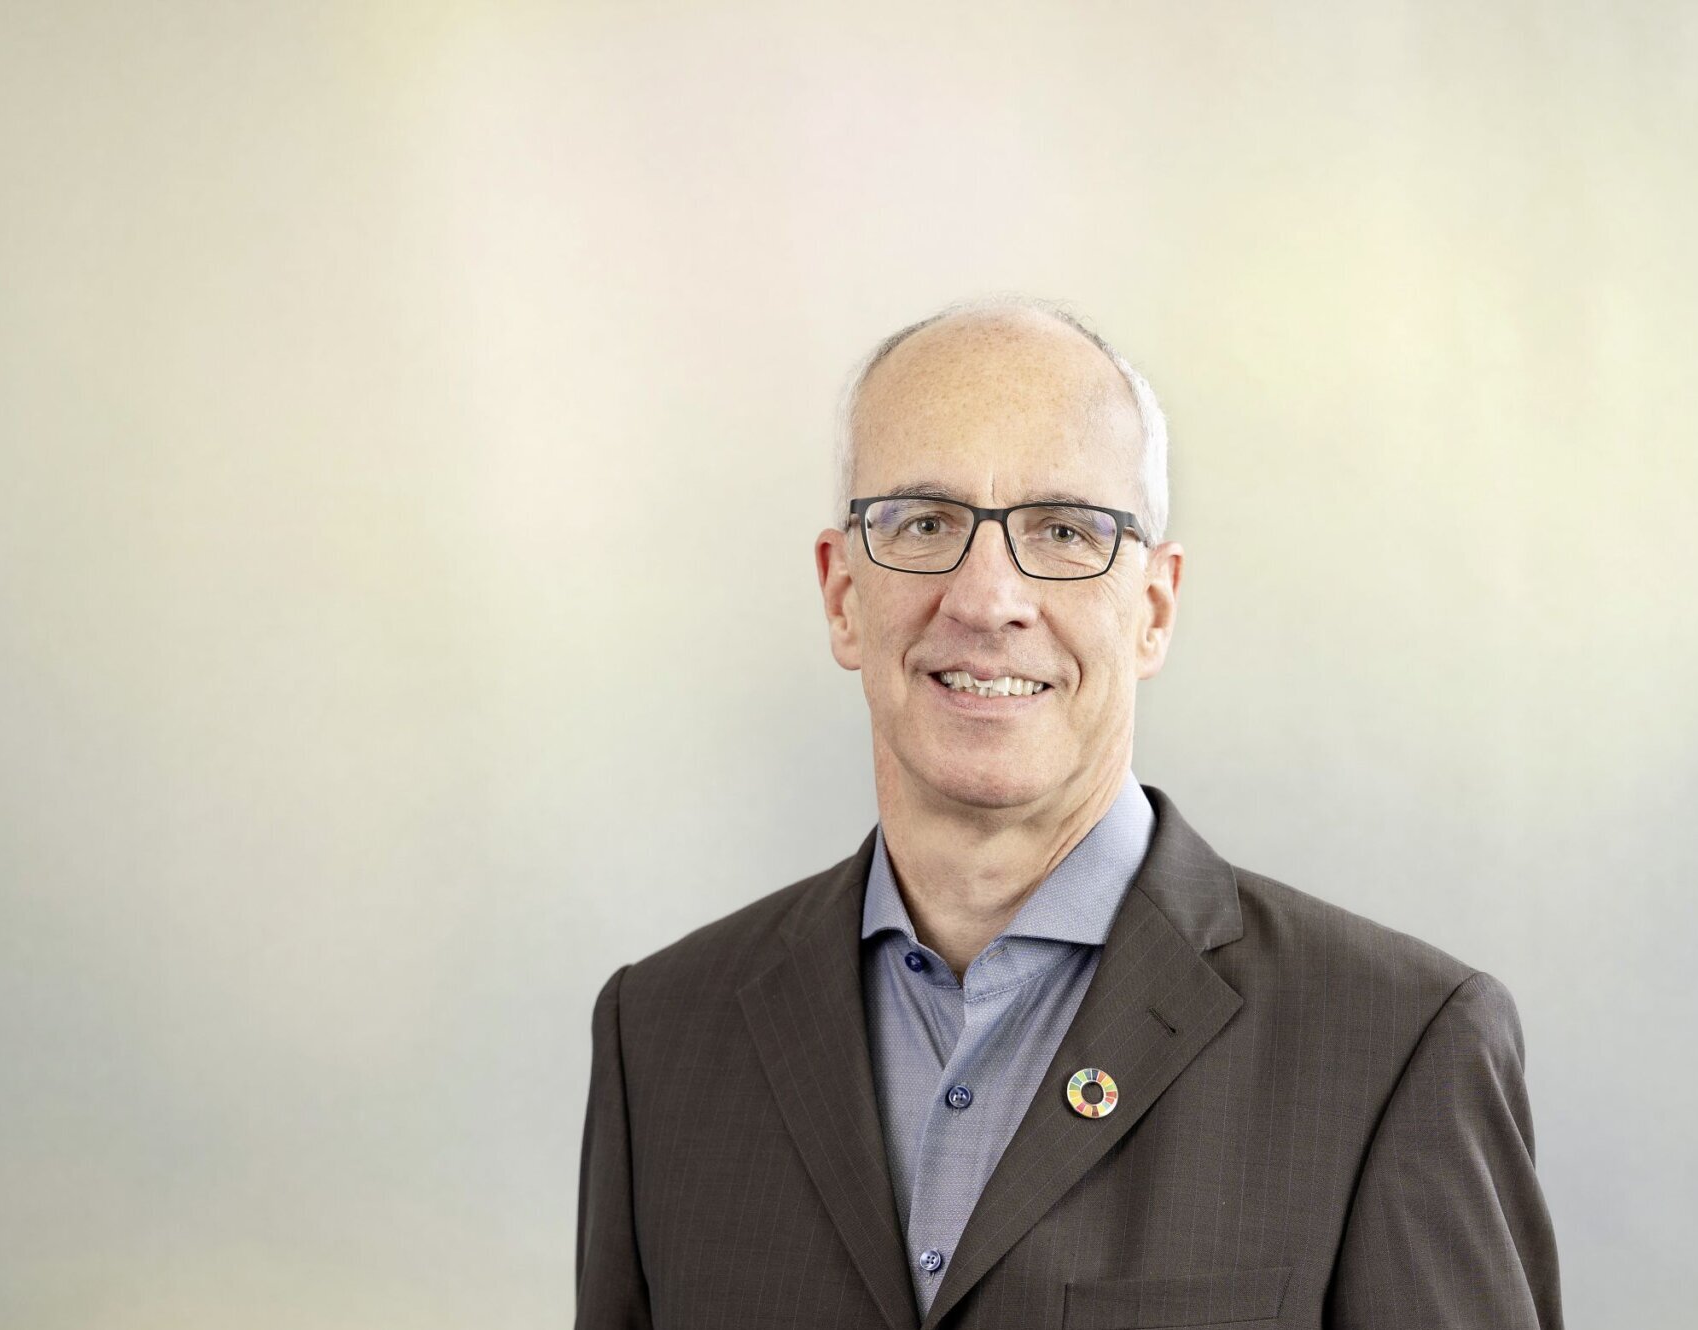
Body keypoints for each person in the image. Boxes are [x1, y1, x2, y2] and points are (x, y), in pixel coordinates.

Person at [573, 297, 1563, 1329]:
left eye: (1062, 530)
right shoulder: (661, 1037)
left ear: (1154, 610)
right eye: (924, 523)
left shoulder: (1396, 1046)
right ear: (841, 596)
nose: (986, 599)